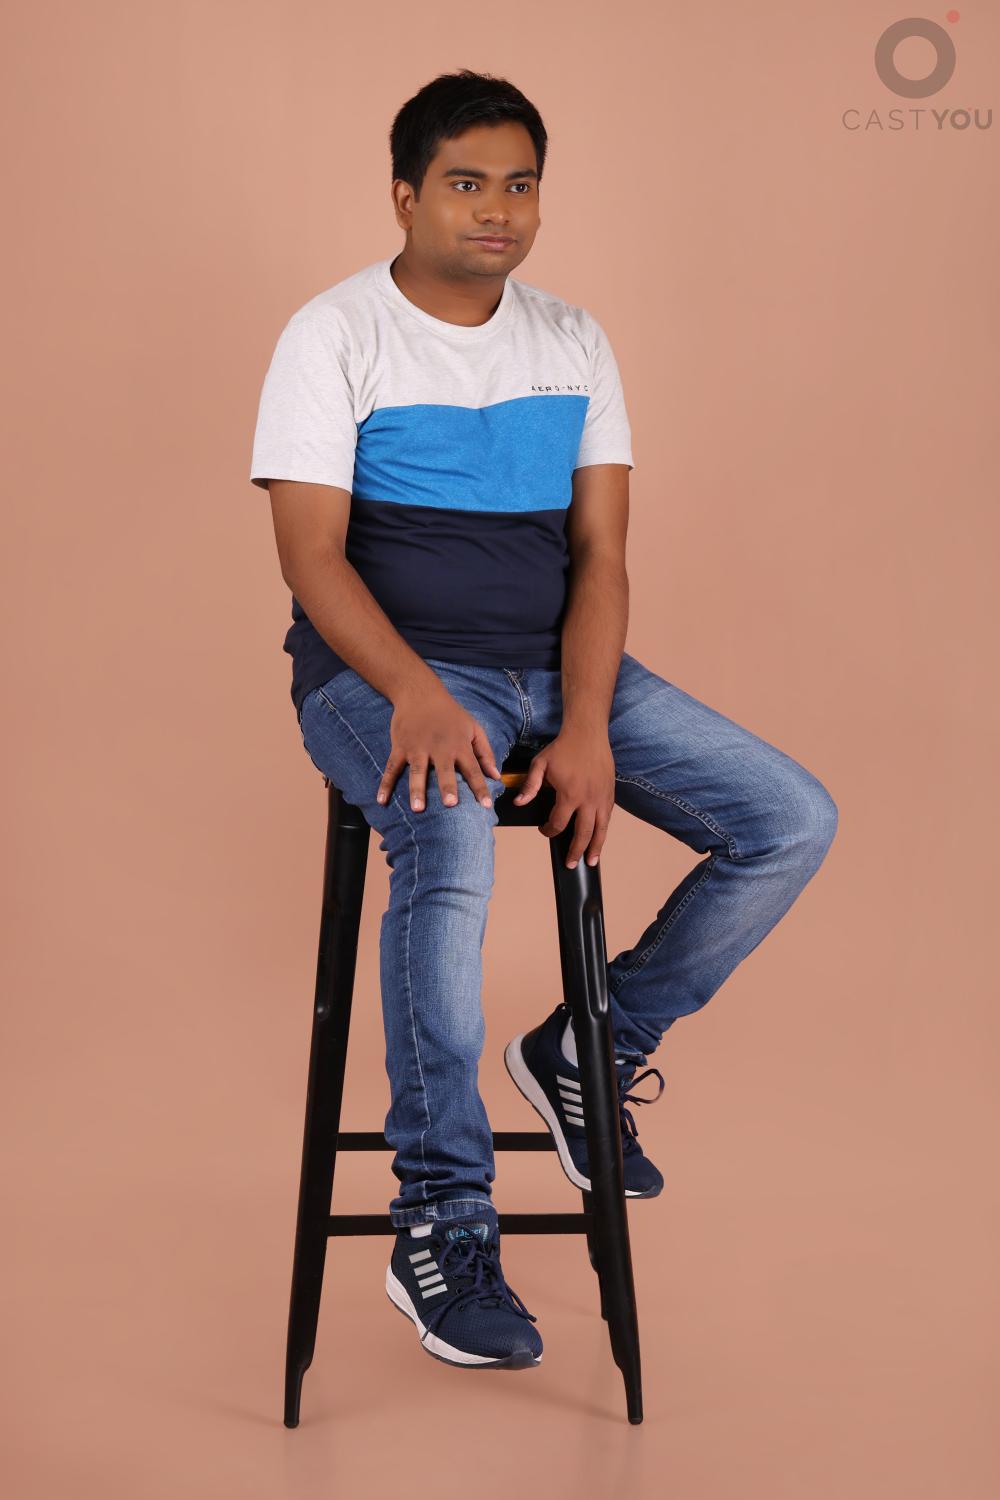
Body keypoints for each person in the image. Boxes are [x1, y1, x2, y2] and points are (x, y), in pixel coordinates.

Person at [249, 69, 838, 1373]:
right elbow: (310, 557)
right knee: (450, 848)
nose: (498, 210)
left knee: (791, 817)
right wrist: (414, 692)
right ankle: (441, 1225)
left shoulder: (573, 340)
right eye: (467, 183)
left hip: (556, 669)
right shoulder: (332, 335)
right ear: (404, 196)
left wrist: (590, 725)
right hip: (384, 674)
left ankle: (588, 1047)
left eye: (520, 185)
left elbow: (603, 558)